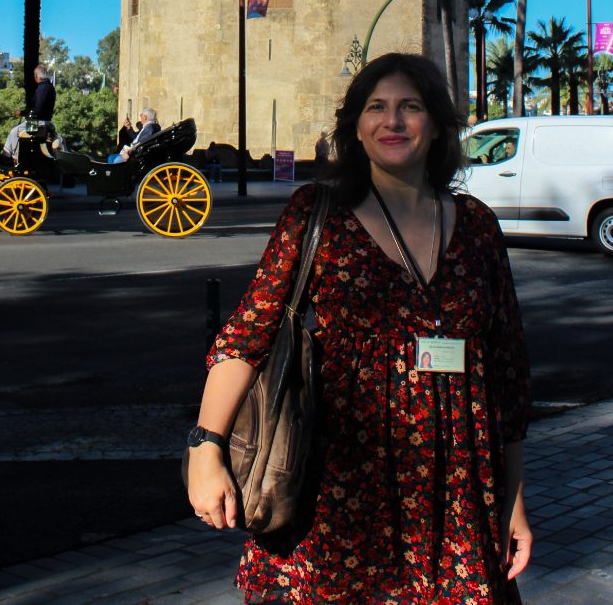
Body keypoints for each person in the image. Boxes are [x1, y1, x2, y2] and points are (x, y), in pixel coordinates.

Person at [186, 52, 532, 604]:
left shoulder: (477, 228)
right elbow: (247, 335)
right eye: (376, 107)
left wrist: (512, 503)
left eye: (409, 107)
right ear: (356, 128)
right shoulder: (316, 214)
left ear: (437, 124)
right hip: (340, 491)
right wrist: (206, 449)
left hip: (458, 496)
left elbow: (506, 381)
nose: (392, 122)